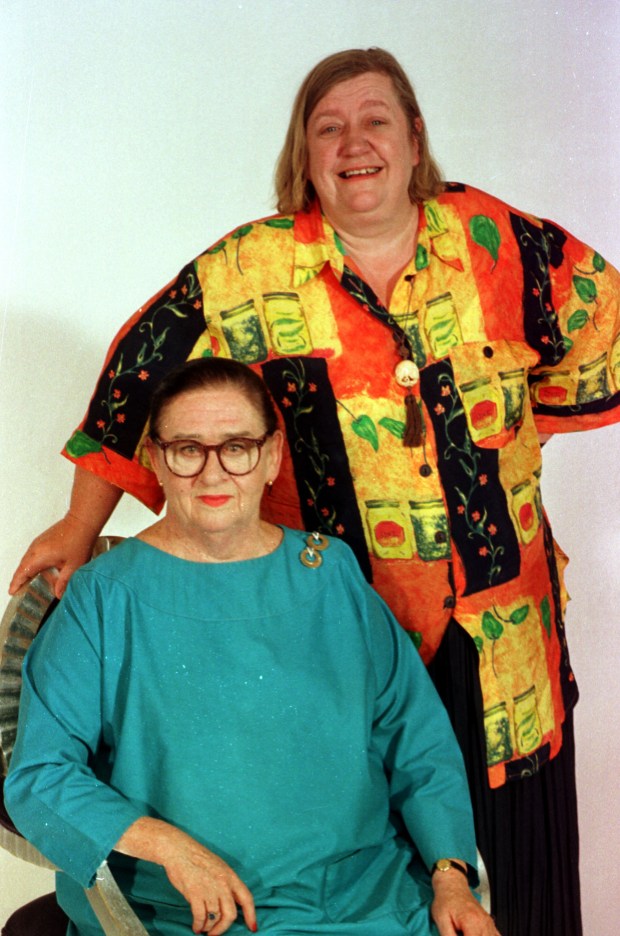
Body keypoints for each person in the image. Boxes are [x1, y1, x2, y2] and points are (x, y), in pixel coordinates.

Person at [8, 47, 620, 936]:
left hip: (500, 634)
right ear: (304, 153)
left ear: (415, 137)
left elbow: (602, 336)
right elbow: (140, 384)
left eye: (376, 119)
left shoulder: (502, 245)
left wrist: (504, 438)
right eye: (326, 126)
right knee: (335, 819)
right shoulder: (251, 270)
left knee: (500, 884)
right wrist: (78, 524)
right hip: (329, 620)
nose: (353, 142)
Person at [5, 357, 497, 936]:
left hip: (367, 902)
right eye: (188, 449)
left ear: (271, 457)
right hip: (187, 913)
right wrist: (169, 847)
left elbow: (417, 739)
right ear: (156, 460)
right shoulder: (103, 598)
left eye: (236, 447)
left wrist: (449, 877)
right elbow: (39, 778)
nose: (213, 474)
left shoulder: (329, 574)